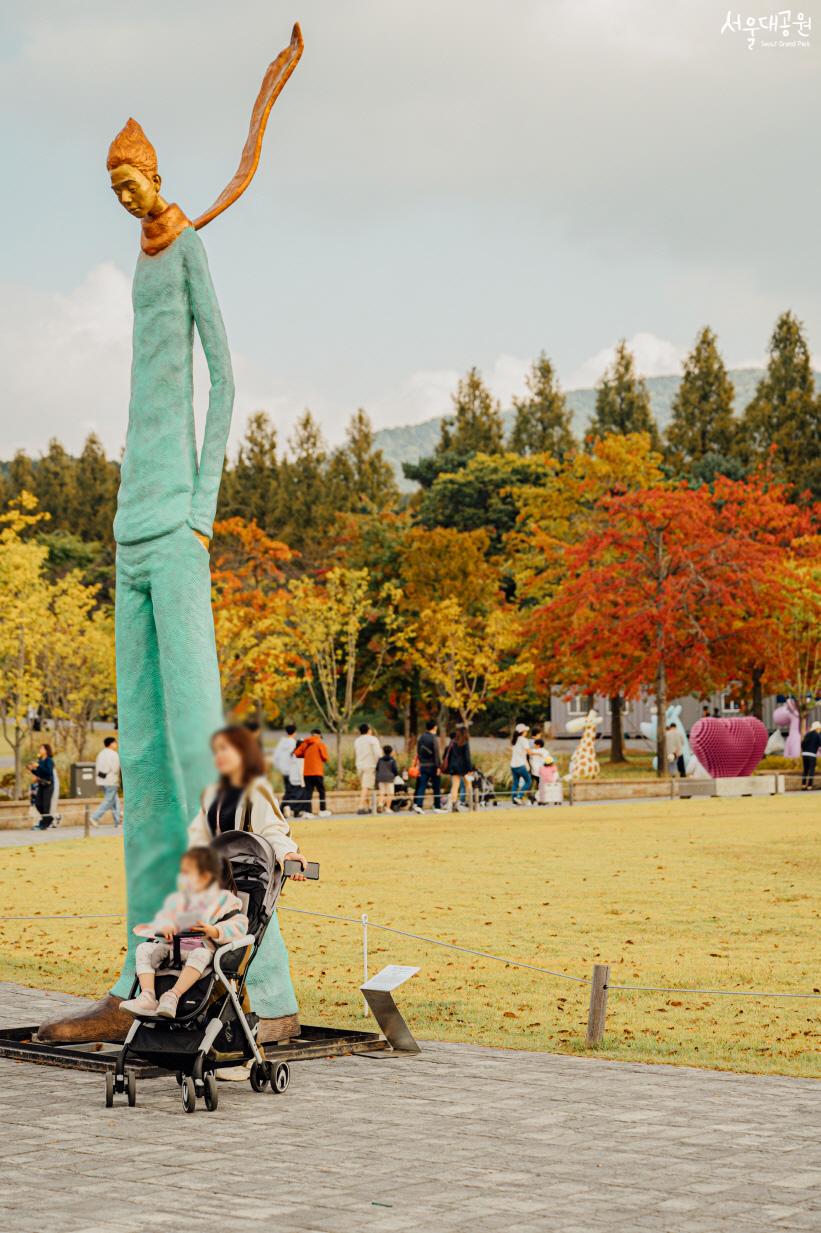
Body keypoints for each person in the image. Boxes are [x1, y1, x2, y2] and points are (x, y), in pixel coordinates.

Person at [187, 726, 307, 1060]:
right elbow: (197, 835)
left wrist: (287, 855)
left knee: (235, 959)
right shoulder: (211, 793)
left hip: (248, 887)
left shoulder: (256, 790)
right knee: (209, 955)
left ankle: (240, 1041)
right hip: (214, 885)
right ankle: (216, 1034)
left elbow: (273, 830)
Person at [120, 845, 248, 1019]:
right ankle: (148, 996)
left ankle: (173, 995)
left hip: (198, 952)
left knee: (202, 954)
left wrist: (215, 930)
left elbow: (240, 925)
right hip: (170, 950)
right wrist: (165, 925)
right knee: (143, 949)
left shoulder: (225, 900)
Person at [295, 729, 331, 817]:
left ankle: (308, 812)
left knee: (308, 792)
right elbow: (325, 757)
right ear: (319, 735)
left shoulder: (305, 744)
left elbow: (297, 753)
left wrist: (306, 755)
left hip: (307, 772)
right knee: (321, 791)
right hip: (317, 772)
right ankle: (322, 810)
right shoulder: (320, 744)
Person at [412, 720, 446, 813]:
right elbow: (436, 753)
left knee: (422, 785)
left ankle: (418, 804)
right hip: (432, 765)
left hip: (423, 765)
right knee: (436, 786)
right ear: (434, 727)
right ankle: (437, 806)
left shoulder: (421, 738)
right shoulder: (433, 738)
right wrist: (438, 767)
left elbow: (418, 752)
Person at [273, 724, 304, 818]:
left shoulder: (281, 743)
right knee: (297, 792)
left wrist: (281, 768)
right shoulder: (294, 743)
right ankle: (295, 810)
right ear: (294, 732)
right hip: (292, 772)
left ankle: (281, 809)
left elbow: (275, 757)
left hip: (284, 772)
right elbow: (296, 758)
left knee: (288, 791)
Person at [90, 736, 122, 827]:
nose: (116, 744)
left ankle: (117, 821)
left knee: (115, 801)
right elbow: (116, 768)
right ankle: (95, 817)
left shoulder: (101, 754)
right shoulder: (113, 754)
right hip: (111, 780)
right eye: (115, 742)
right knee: (109, 800)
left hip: (102, 781)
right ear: (111, 744)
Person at [443, 724, 472, 812]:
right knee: (468, 785)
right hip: (464, 768)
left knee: (455, 786)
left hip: (454, 767)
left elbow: (450, 755)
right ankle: (470, 802)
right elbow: (467, 757)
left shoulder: (453, 742)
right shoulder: (465, 743)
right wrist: (470, 769)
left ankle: (454, 803)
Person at [354, 723, 382, 815]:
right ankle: (360, 806)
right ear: (368, 730)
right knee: (366, 786)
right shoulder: (373, 739)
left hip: (359, 765)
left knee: (365, 787)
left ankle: (368, 807)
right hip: (370, 765)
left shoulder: (357, 741)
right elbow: (378, 753)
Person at [29, 744, 56, 830]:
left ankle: (44, 823)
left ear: (46, 750)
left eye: (42, 748)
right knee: (38, 804)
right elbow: (39, 774)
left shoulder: (49, 761)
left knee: (45, 805)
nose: (40, 750)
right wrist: (32, 770)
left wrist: (38, 766)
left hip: (48, 785)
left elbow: (48, 772)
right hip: (41, 784)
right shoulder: (40, 760)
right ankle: (48, 819)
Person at [510, 723, 532, 805]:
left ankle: (514, 799)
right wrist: (539, 753)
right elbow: (529, 752)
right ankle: (519, 796)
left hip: (513, 765)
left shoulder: (514, 740)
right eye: (526, 731)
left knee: (515, 783)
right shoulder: (524, 740)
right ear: (523, 731)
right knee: (528, 781)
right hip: (520, 765)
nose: (527, 732)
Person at [376, 745, 399, 813]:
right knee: (390, 794)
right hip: (389, 778)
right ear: (391, 752)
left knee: (382, 793)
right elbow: (395, 770)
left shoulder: (380, 760)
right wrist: (395, 775)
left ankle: (380, 804)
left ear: (383, 751)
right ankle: (387, 808)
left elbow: (377, 768)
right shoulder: (392, 760)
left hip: (381, 778)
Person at [801, 721, 821, 790]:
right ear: (817, 728)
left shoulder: (807, 734)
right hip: (812, 755)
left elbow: (802, 744)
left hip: (804, 754)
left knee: (805, 770)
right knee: (811, 770)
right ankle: (809, 786)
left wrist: (804, 751)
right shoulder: (817, 735)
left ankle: (803, 785)